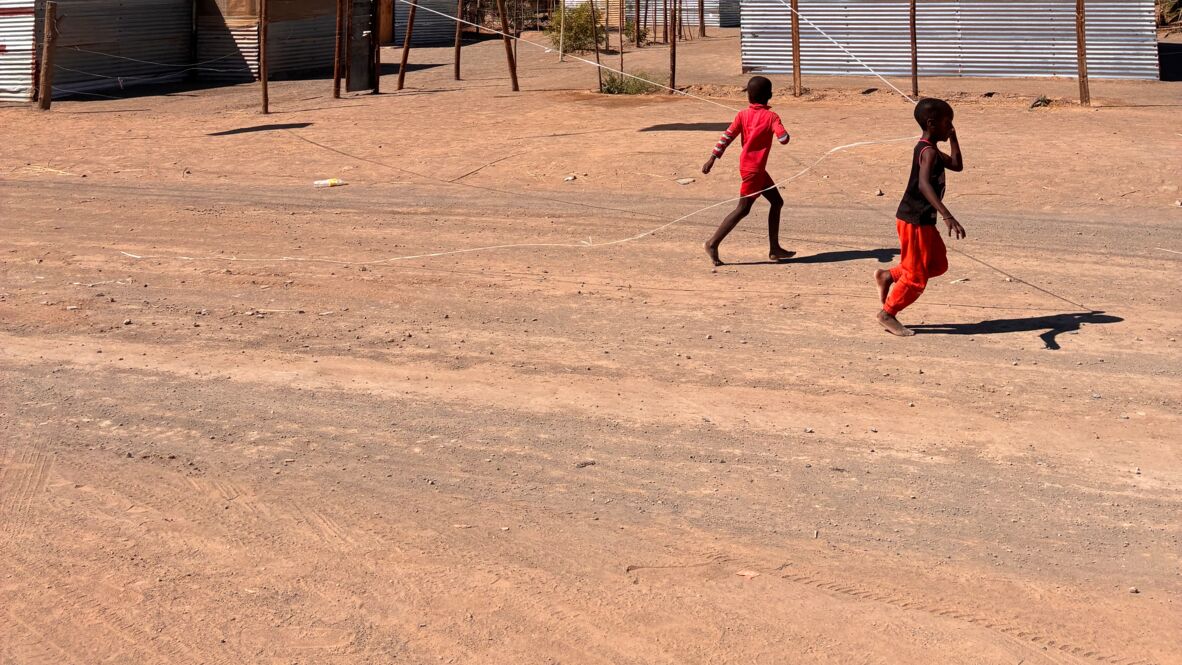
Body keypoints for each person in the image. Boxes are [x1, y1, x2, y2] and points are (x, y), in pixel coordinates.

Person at [875, 98, 966, 336]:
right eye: (948, 123)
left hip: (923, 220)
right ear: (931, 123)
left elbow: (957, 164)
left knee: (937, 264)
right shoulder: (928, 152)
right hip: (914, 220)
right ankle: (888, 313)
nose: (951, 126)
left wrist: (954, 137)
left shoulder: (932, 149)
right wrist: (947, 215)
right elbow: (925, 185)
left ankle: (888, 275)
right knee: (916, 278)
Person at [701, 76, 793, 267]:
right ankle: (712, 243)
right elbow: (783, 139)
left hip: (751, 168)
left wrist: (712, 158)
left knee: (777, 201)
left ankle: (775, 248)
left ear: (748, 96)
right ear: (770, 96)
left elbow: (727, 137)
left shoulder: (742, 115)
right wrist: (784, 134)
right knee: (743, 209)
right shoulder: (771, 117)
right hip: (755, 171)